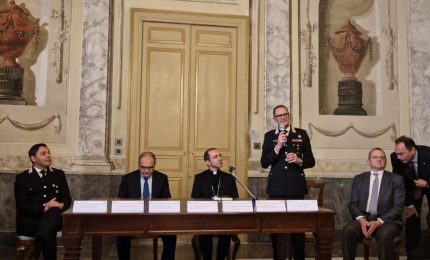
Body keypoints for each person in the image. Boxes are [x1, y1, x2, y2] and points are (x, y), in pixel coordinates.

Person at [260, 105, 315, 260]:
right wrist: (277, 146)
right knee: (275, 228)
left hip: (295, 187)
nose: (282, 118)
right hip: (276, 188)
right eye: (279, 116)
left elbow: (311, 161)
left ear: (289, 116)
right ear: (275, 119)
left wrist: (299, 160)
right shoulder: (269, 135)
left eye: (285, 114)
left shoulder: (301, 134)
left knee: (298, 229)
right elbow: (264, 163)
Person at [342, 148, 405, 260]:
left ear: (386, 161)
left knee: (385, 235)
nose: (379, 159)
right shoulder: (359, 179)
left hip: (387, 221)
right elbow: (353, 203)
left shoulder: (396, 179)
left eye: (382, 157)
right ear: (369, 161)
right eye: (375, 157)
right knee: (348, 230)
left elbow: (398, 207)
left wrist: (379, 222)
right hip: (365, 218)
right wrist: (361, 220)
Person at [14, 143, 72, 260]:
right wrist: (45, 207)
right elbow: (22, 205)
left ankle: (36, 249)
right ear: (33, 158)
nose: (48, 156)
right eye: (43, 153)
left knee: (54, 211)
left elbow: (67, 198)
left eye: (49, 153)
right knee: (50, 226)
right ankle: (38, 248)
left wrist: (61, 205)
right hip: (31, 222)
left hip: (54, 219)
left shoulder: (58, 175)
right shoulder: (22, 178)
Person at [117, 151, 176, 260]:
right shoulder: (128, 178)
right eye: (143, 167)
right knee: (121, 234)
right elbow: (121, 201)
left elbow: (166, 201)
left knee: (171, 234)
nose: (146, 171)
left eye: (150, 167)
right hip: (133, 218)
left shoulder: (162, 178)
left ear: (155, 165)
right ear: (139, 165)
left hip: (156, 219)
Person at [191, 148, 239, 260]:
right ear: (208, 162)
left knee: (226, 233)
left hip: (224, 218)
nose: (220, 158)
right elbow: (195, 198)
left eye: (220, 156)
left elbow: (235, 197)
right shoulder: (200, 178)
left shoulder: (229, 178)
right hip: (206, 217)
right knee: (205, 234)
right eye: (215, 157)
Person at [391, 136, 430, 256]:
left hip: (428, 184)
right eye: (397, 153)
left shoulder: (428, 154)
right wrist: (409, 205)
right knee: (412, 220)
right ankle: (412, 256)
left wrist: (427, 184)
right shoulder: (395, 157)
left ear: (412, 150)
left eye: (401, 154)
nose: (398, 157)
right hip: (410, 190)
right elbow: (400, 182)